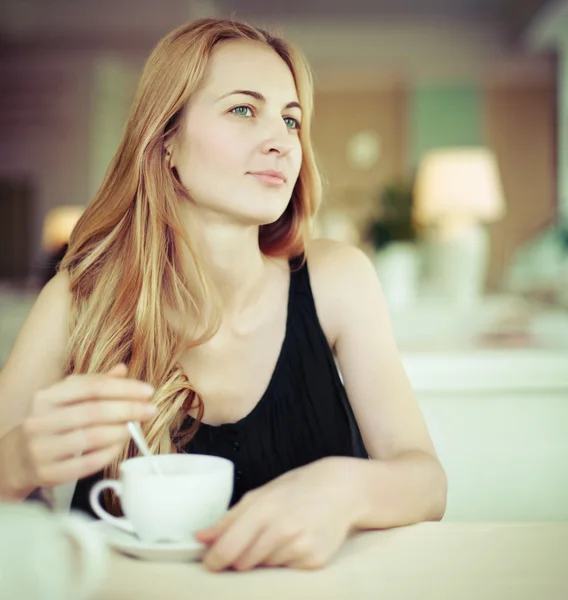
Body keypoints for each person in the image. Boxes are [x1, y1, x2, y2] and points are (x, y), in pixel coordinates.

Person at [0, 17, 447, 572]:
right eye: (243, 109)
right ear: (166, 142)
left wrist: (344, 488)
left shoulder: (338, 280)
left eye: (291, 120)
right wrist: (17, 462)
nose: (281, 141)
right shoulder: (78, 298)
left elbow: (427, 483)